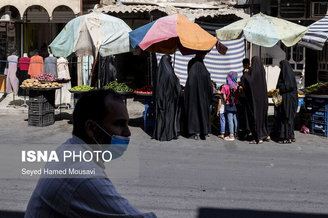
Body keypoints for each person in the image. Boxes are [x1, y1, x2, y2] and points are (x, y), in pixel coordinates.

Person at [25, 89, 156, 218]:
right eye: (119, 124)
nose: (127, 133)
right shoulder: (85, 176)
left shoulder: (68, 149)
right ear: (91, 128)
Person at [184, 51, 213, 140]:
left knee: (193, 112)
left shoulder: (191, 64)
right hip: (202, 96)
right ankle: (203, 131)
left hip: (192, 95)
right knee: (202, 111)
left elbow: (189, 79)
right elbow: (208, 84)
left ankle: (193, 132)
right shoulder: (203, 69)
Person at [153, 55, 181, 141]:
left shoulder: (158, 72)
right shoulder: (170, 73)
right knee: (168, 116)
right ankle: (167, 135)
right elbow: (175, 87)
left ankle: (159, 134)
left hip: (160, 99)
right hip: (169, 100)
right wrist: (177, 80)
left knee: (161, 116)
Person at [241, 56, 270, 144]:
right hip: (263, 100)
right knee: (262, 118)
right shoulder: (262, 71)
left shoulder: (253, 72)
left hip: (255, 101)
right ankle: (264, 135)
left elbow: (248, 82)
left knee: (255, 118)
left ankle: (257, 138)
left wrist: (245, 74)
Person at [276, 60, 298, 144]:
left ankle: (285, 137)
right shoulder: (289, 75)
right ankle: (290, 136)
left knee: (285, 118)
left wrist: (280, 89)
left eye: (280, 66)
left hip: (287, 100)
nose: (280, 68)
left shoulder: (286, 76)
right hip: (290, 100)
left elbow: (288, 86)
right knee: (289, 118)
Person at [221, 72, 239, 141]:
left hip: (229, 105)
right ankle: (236, 133)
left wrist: (227, 101)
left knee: (230, 120)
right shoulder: (236, 87)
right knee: (235, 119)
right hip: (235, 105)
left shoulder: (225, 87)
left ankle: (231, 134)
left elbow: (224, 98)